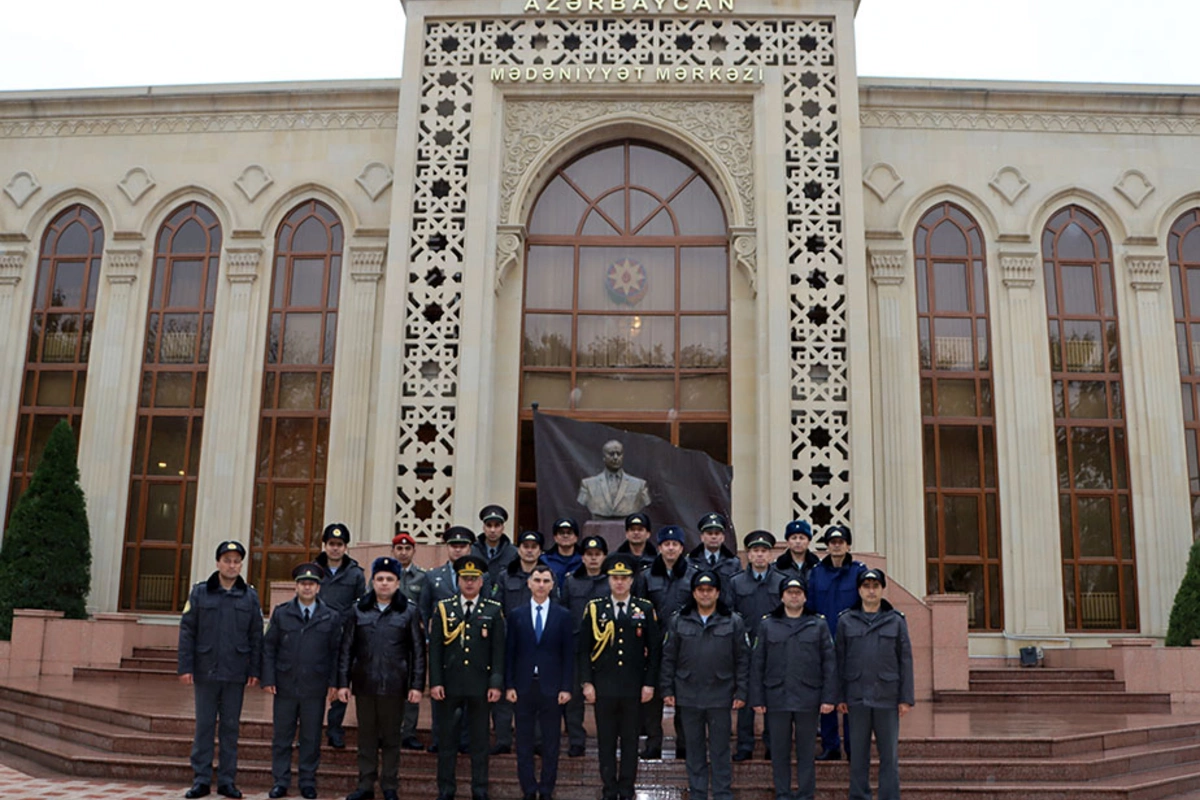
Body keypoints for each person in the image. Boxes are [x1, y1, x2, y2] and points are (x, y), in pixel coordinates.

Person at [178, 540, 263, 800]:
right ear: (218, 563)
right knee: (204, 727)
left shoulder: (249, 596)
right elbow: (187, 631)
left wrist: (255, 669)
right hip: (205, 671)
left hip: (235, 673)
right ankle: (201, 780)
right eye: (227, 560)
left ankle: (227, 781)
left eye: (236, 561)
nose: (232, 565)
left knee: (230, 728)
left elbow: (256, 636)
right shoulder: (200, 593)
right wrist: (185, 666)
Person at [337, 557, 425, 800]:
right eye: (380, 579)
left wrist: (417, 685)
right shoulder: (358, 610)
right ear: (372, 582)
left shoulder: (408, 611)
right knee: (366, 738)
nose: (384, 584)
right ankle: (365, 785)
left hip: (395, 685)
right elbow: (347, 649)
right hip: (365, 684)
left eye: (389, 579)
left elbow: (418, 652)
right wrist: (343, 683)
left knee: (391, 739)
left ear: (398, 583)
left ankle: (389, 786)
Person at [660, 570, 750, 800]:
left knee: (720, 749)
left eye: (710, 590)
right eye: (701, 590)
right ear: (694, 593)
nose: (705, 594)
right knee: (694, 749)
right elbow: (669, 657)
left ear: (718, 592)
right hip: (688, 693)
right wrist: (667, 689)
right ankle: (698, 793)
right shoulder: (679, 619)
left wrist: (741, 691)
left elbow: (742, 659)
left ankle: (722, 793)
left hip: (721, 694)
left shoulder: (733, 621)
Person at [578, 553, 661, 800]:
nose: (620, 582)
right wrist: (586, 682)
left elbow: (655, 650)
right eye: (615, 577)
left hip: (634, 688)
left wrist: (649, 683)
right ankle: (608, 787)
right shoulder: (595, 609)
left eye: (624, 578)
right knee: (605, 741)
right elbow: (583, 649)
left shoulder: (644, 609)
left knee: (630, 740)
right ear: (609, 580)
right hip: (603, 687)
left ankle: (626, 787)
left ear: (632, 580)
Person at [750, 576, 836, 800]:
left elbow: (829, 663)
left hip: (808, 696)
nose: (794, 596)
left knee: (807, 751)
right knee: (779, 752)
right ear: (782, 596)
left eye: (798, 592)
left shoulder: (818, 624)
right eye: (790, 592)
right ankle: (783, 793)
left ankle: (806, 794)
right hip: (777, 697)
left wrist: (829, 697)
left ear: (805, 596)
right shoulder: (768, 624)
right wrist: (757, 698)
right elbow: (758, 664)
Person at [429, 555, 506, 800]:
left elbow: (498, 652)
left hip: (480, 686)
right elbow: (436, 650)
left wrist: (495, 682)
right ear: (458, 580)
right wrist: (436, 682)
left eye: (474, 579)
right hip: (450, 685)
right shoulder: (444, 608)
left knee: (480, 742)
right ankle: (446, 789)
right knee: (447, 741)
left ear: (482, 581)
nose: (470, 583)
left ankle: (480, 789)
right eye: (465, 578)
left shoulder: (493, 610)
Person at [262, 562, 341, 800]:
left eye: (312, 584)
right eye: (303, 583)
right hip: (285, 684)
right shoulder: (282, 612)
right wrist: (269, 677)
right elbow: (269, 648)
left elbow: (337, 652)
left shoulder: (331, 616)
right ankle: (281, 781)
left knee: (311, 737)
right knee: (282, 736)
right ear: (296, 586)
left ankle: (307, 781)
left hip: (314, 687)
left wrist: (335, 683)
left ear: (318, 588)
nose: (307, 587)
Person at [835, 568, 914, 800]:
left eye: (875, 586)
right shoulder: (846, 620)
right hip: (856, 695)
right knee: (858, 754)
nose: (871, 591)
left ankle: (889, 796)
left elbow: (905, 660)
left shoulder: (896, 621)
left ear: (882, 589)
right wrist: (839, 696)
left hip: (887, 696)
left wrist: (905, 698)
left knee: (888, 755)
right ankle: (859, 796)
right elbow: (839, 660)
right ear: (859, 590)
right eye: (866, 586)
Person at [505, 564, 574, 800]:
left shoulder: (563, 615)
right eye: (537, 580)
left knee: (551, 742)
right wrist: (510, 685)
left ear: (553, 585)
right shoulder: (516, 615)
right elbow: (509, 653)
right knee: (523, 742)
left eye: (546, 581)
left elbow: (568, 654)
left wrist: (566, 687)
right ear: (529, 583)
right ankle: (528, 789)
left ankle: (546, 789)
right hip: (524, 687)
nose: (541, 585)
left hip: (552, 688)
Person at [633, 524, 696, 760]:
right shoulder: (647, 576)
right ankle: (653, 743)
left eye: (675, 544)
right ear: (659, 547)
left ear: (682, 548)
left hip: (685, 645)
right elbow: (638, 610)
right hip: (654, 644)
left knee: (684, 695)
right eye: (666, 544)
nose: (671, 548)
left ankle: (684, 744)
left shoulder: (693, 575)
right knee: (653, 698)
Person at [806, 524, 867, 761]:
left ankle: (854, 746)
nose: (837, 545)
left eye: (841, 541)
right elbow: (810, 607)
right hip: (823, 643)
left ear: (848, 545)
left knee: (851, 697)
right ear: (827, 545)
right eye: (832, 541)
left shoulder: (859, 572)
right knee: (827, 696)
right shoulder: (817, 572)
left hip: (852, 644)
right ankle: (831, 745)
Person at [422, 525, 479, 755]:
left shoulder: (480, 577)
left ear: (470, 548)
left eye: (462, 546)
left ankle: (464, 739)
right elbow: (424, 611)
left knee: (468, 695)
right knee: (440, 694)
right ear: (447, 548)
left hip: (473, 646)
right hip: (444, 647)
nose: (458, 550)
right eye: (454, 546)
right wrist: (428, 638)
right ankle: (440, 737)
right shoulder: (433, 576)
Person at [727, 530, 783, 761]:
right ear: (748, 555)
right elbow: (731, 615)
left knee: (772, 697)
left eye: (764, 551)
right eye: (755, 551)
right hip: (746, 647)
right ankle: (745, 745)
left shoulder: (782, 582)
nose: (759, 555)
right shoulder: (736, 582)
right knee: (746, 698)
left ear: (770, 555)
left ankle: (772, 744)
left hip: (775, 648)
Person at [491, 529, 548, 755]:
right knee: (505, 694)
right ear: (519, 549)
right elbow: (498, 609)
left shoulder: (548, 576)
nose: (529, 550)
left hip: (538, 645)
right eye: (525, 546)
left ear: (540, 550)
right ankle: (503, 739)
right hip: (509, 644)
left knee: (536, 693)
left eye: (534, 547)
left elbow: (555, 610)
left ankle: (536, 741)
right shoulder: (506, 576)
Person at [315, 522, 366, 750]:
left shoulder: (355, 574)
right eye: (331, 544)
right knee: (314, 684)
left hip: (345, 636)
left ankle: (335, 729)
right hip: (316, 635)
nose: (335, 548)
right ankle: (311, 729)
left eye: (340, 544)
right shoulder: (313, 570)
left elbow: (360, 605)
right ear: (324, 545)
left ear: (346, 547)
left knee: (341, 681)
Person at [561, 534, 609, 758]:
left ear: (604, 557)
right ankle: (576, 741)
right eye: (589, 555)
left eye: (597, 555)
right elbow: (563, 612)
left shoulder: (611, 581)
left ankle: (606, 740)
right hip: (576, 647)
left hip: (604, 648)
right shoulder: (571, 581)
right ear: (582, 557)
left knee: (605, 697)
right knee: (574, 699)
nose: (593, 559)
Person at [391, 531, 429, 751]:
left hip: (412, 640)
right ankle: (389, 730)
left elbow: (424, 609)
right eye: (399, 548)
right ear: (393, 550)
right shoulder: (383, 575)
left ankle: (409, 732)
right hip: (388, 640)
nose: (403, 552)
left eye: (407, 548)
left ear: (414, 551)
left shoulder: (423, 577)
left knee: (413, 687)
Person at [577, 439, 651, 519]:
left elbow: (645, 502)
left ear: (623, 456)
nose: (615, 457)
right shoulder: (588, 484)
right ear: (604, 457)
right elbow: (582, 502)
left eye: (619, 454)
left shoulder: (639, 485)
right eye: (611, 454)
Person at [687, 513, 742, 597]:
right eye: (709, 533)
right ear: (702, 537)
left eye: (717, 533)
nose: (713, 537)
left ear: (723, 537)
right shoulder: (690, 561)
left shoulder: (733, 563)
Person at [473, 504, 518, 582]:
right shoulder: (473, 551)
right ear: (483, 528)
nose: (492, 530)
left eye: (497, 526)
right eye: (489, 525)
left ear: (503, 528)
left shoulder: (513, 553)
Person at [774, 519, 819, 584]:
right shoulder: (776, 568)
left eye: (802, 538)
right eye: (794, 538)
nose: (798, 541)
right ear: (788, 542)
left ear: (808, 542)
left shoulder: (818, 567)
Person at [543, 518, 582, 588]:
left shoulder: (584, 560)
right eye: (561, 533)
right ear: (555, 537)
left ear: (576, 537)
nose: (565, 536)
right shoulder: (544, 560)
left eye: (569, 533)